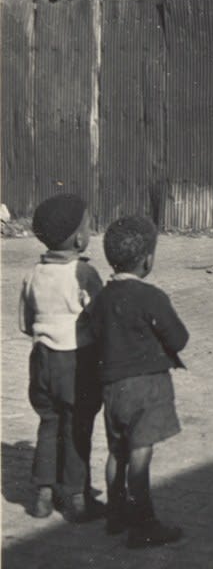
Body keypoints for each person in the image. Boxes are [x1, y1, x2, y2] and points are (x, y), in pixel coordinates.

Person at [79, 215, 189, 548]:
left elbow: (91, 333)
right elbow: (179, 338)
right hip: (147, 389)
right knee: (140, 455)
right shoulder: (151, 297)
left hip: (112, 388)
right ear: (147, 260)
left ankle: (116, 513)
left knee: (118, 451)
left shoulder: (101, 299)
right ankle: (145, 523)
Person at [19, 192, 104, 522]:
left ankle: (42, 494)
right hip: (75, 362)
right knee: (76, 427)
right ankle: (76, 497)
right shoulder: (84, 275)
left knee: (48, 423)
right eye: (87, 226)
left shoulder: (33, 275)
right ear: (80, 238)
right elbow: (99, 318)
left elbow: (25, 323)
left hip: (41, 359)